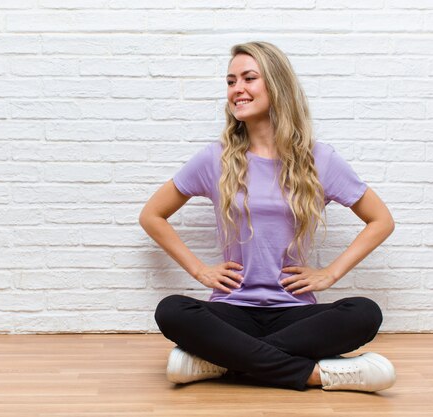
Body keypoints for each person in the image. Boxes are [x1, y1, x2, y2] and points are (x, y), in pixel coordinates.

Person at [139, 41, 396, 392]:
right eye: (231, 81)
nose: (237, 90)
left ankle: (217, 361)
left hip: (294, 312)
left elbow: (381, 219)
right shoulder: (215, 159)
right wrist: (199, 270)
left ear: (276, 85)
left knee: (365, 313)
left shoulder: (319, 160)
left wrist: (330, 274)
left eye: (248, 78)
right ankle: (318, 374)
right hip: (231, 310)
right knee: (172, 310)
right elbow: (152, 214)